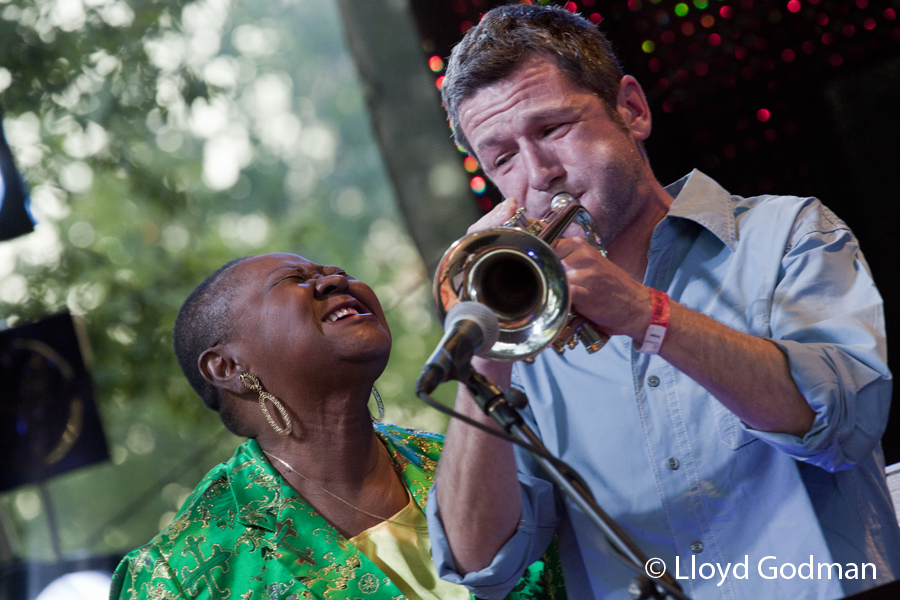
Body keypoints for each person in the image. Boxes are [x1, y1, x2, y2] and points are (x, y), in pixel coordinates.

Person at [425, 5, 900, 600]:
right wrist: (486, 361)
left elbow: (845, 426)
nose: (539, 173)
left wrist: (646, 314)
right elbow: (480, 565)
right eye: (504, 159)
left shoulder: (788, 233)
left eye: (551, 129)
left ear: (632, 109)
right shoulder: (524, 339)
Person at [109, 253, 565, 600]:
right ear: (227, 366)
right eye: (296, 281)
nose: (334, 280)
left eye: (334, 270)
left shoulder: (465, 463)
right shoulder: (176, 572)